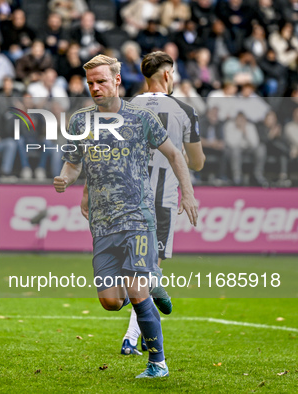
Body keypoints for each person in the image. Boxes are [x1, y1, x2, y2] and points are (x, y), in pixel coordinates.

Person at [54, 54, 198, 378]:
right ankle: (153, 279)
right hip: (103, 224)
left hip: (138, 217)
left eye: (101, 81)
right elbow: (75, 162)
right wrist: (68, 178)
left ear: (117, 80)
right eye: (90, 83)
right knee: (110, 301)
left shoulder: (140, 118)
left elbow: (175, 154)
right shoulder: (80, 122)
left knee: (136, 291)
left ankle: (157, 363)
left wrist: (187, 192)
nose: (95, 87)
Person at [109, 51, 205, 356]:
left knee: (136, 273)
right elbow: (198, 163)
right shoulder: (185, 109)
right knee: (146, 275)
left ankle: (130, 339)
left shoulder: (126, 107)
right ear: (166, 75)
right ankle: (153, 292)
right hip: (160, 201)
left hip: (127, 199)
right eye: (173, 73)